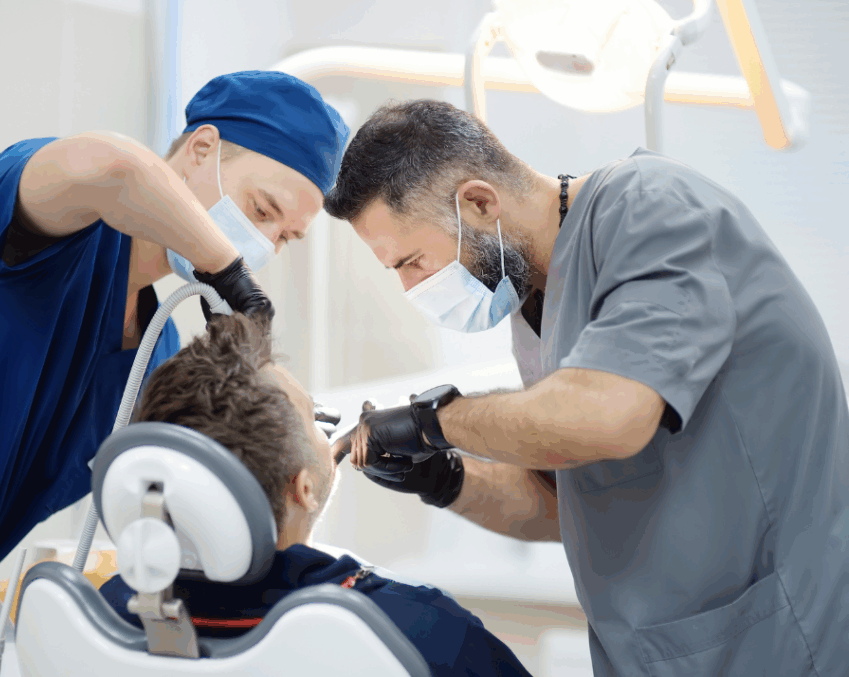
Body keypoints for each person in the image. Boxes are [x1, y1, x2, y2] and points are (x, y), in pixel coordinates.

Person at [0, 71, 348, 676]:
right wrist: (229, 274)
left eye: (284, 237)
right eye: (261, 210)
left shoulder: (154, 349)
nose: (263, 244)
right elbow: (116, 168)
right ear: (201, 149)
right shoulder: (48, 218)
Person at [322, 99, 848, 676]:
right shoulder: (533, 306)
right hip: (658, 652)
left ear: (478, 203)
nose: (411, 289)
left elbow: (609, 416)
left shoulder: (649, 206)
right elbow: (567, 506)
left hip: (775, 641)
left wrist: (434, 422)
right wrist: (445, 478)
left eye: (413, 262)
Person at [97, 313, 533, 677]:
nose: (328, 427)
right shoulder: (421, 630)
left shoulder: (111, 614)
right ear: (304, 488)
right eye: (312, 417)